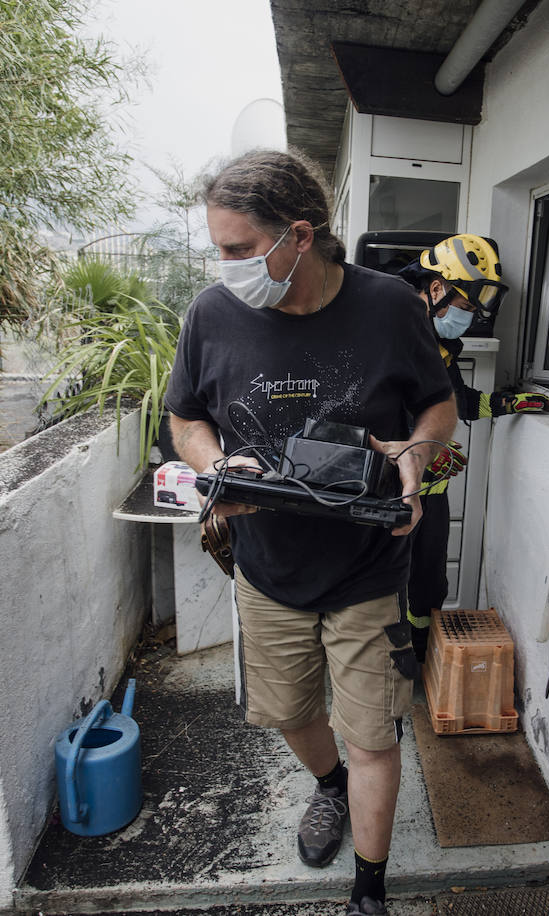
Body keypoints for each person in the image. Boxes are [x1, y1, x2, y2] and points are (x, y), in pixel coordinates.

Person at [164, 149, 457, 916]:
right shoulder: (211, 314)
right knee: (290, 712)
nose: (224, 266)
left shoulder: (390, 304)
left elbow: (438, 404)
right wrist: (217, 464)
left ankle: (369, 890)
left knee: (372, 737)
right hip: (267, 567)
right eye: (217, 249)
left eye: (236, 249)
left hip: (368, 565)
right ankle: (329, 787)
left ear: (298, 235)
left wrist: (416, 452)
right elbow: (184, 418)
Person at [398, 235, 549, 664]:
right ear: (436, 290)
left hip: (430, 495)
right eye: (465, 308)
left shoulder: (442, 347)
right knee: (381, 585)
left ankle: (420, 665)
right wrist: (417, 453)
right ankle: (383, 673)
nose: (467, 320)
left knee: (428, 587)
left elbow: (458, 403)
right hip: (386, 496)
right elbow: (366, 415)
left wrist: (507, 404)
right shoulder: (387, 334)